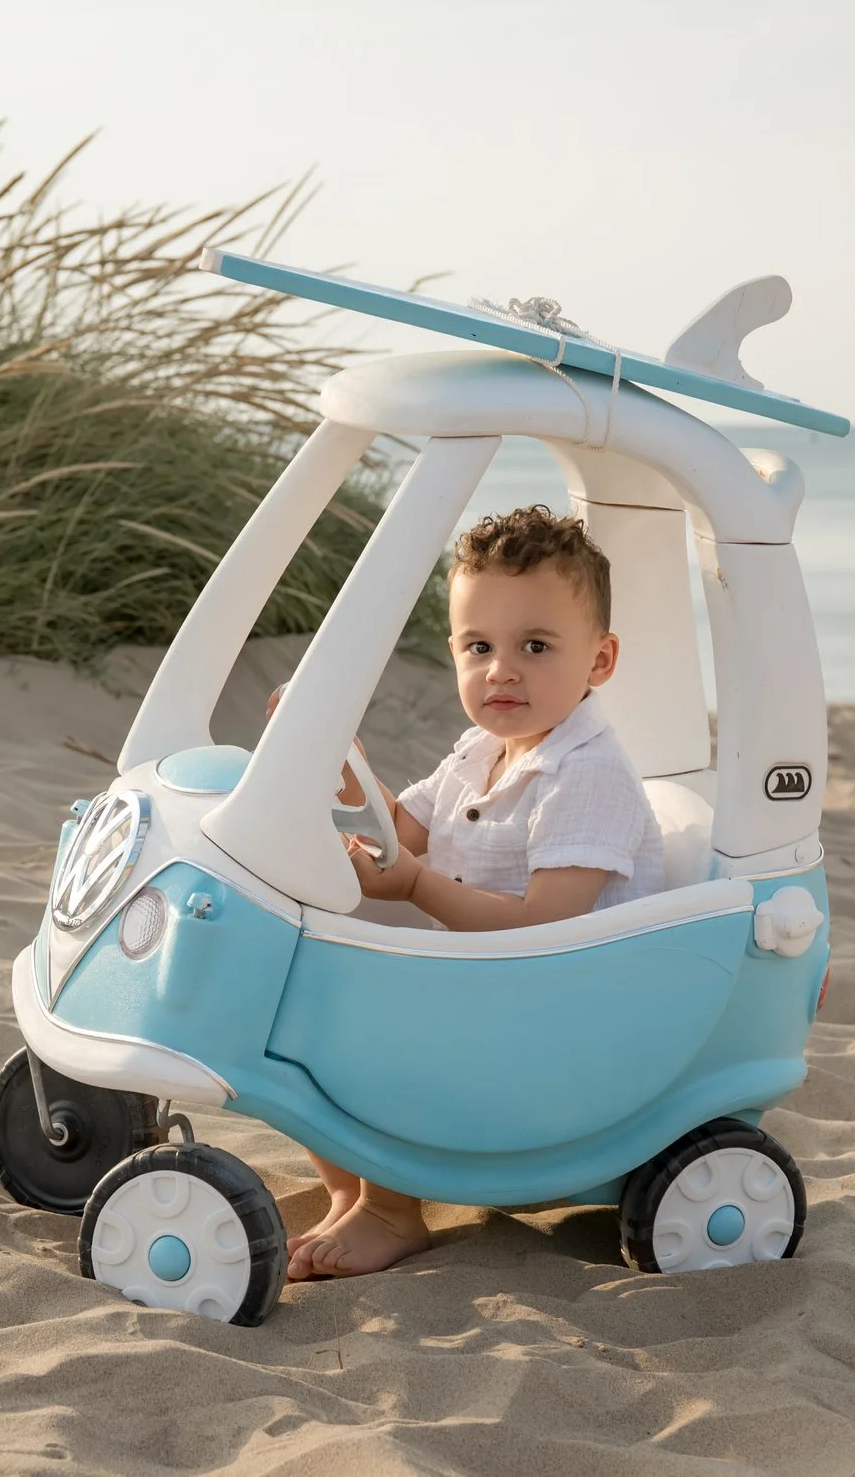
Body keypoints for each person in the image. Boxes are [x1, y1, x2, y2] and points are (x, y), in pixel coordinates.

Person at [287, 505, 664, 1280]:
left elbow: (544, 927)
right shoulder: (482, 749)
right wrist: (340, 767)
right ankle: (352, 1186)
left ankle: (395, 1211)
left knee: (383, 1021)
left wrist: (416, 884)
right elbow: (403, 833)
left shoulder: (587, 773)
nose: (502, 670)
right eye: (478, 646)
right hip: (496, 991)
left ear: (600, 659)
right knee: (304, 996)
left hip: (563, 1013)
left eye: (535, 645)